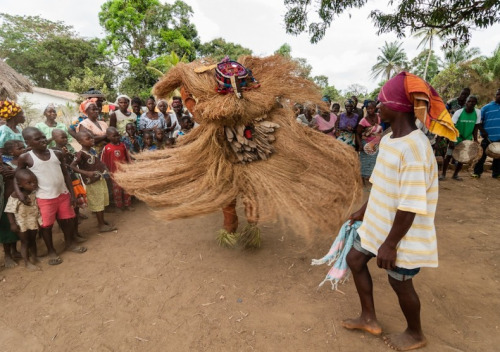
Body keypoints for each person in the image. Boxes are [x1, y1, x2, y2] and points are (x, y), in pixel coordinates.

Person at [342, 72, 458, 351]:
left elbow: (410, 204)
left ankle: (415, 333)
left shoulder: (415, 149)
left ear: (397, 107)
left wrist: (390, 245)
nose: (377, 107)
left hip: (400, 235)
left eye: (382, 102)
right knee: (355, 260)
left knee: (400, 283)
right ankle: (369, 317)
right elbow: (383, 184)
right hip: (378, 224)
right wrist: (363, 210)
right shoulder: (392, 138)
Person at [16, 127, 87, 265]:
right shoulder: (26, 157)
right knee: (46, 226)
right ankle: (51, 250)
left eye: (43, 137)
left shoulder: (57, 153)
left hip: (63, 194)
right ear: (28, 142)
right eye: (37, 139)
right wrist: (19, 193)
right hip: (44, 198)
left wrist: (71, 194)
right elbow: (17, 176)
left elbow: (66, 174)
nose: (43, 140)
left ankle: (69, 243)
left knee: (68, 220)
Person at [70, 131, 116, 232]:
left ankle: (102, 221)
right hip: (92, 182)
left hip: (99, 178)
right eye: (88, 138)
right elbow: (72, 166)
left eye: (92, 138)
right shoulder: (80, 154)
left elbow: (99, 162)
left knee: (101, 200)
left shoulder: (92, 150)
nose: (92, 140)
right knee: (98, 202)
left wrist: (106, 170)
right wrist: (86, 172)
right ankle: (101, 225)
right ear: (79, 141)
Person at [51, 129, 87, 240]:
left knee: (76, 208)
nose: (65, 139)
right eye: (62, 137)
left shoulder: (69, 148)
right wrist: (63, 156)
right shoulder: (52, 151)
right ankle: (70, 235)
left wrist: (69, 156)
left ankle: (76, 233)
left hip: (73, 181)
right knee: (66, 212)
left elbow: (73, 165)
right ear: (54, 138)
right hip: (63, 184)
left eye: (66, 137)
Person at [4, 169, 41, 270]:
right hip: (21, 224)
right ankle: (27, 262)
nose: (33, 184)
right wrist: (12, 224)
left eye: (35, 182)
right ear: (19, 185)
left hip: (32, 221)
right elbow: (9, 210)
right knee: (25, 242)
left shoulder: (34, 192)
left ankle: (35, 257)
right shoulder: (15, 195)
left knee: (33, 240)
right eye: (29, 183)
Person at [441, 95, 481, 181]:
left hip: (467, 139)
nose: (471, 103)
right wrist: (451, 140)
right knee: (448, 155)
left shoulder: (477, 113)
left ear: (475, 103)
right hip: (456, 137)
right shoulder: (459, 112)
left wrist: (476, 139)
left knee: (462, 158)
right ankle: (443, 174)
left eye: (473, 102)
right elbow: (452, 127)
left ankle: (455, 175)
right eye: (469, 101)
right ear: (466, 102)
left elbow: (476, 127)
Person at [101, 127, 133, 211]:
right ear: (108, 137)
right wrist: (107, 172)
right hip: (114, 173)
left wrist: (130, 165)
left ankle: (127, 204)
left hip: (124, 171)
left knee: (127, 188)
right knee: (117, 191)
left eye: (118, 135)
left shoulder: (123, 145)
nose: (117, 137)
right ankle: (119, 206)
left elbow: (128, 156)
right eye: (114, 136)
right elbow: (103, 162)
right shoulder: (107, 148)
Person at [472, 88, 500, 179]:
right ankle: (477, 173)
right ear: (495, 95)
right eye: (498, 94)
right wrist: (483, 131)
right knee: (482, 155)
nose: (499, 96)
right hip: (488, 136)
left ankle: (496, 174)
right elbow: (478, 122)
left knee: (498, 156)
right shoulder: (486, 108)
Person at [356, 101, 382, 182]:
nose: (370, 110)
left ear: (375, 108)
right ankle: (362, 178)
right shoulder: (363, 121)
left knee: (374, 161)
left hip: (376, 143)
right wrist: (360, 145)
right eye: (368, 109)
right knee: (365, 161)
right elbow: (357, 133)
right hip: (366, 143)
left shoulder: (379, 116)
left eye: (372, 108)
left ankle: (371, 178)